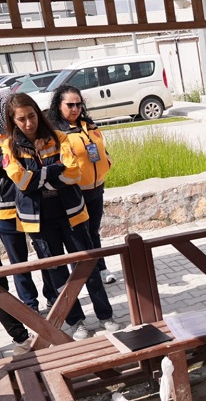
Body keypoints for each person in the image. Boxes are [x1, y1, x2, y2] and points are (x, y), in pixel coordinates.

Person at [1, 93, 119, 340]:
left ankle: (105, 315)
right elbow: (21, 181)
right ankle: (76, 321)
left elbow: (74, 173)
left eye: (32, 116)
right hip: (39, 221)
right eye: (21, 119)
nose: (29, 123)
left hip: (71, 214)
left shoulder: (59, 137)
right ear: (13, 121)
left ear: (38, 113)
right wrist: (54, 170)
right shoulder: (9, 146)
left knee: (86, 266)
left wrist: (38, 179)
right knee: (57, 274)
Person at [48, 85, 116, 284]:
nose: (75, 109)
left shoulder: (89, 125)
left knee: (93, 231)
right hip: (73, 192)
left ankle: (100, 268)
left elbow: (100, 148)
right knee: (78, 236)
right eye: (70, 105)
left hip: (96, 188)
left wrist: (107, 161)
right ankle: (82, 275)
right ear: (58, 105)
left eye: (78, 104)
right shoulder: (54, 131)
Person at [0, 90, 58, 315]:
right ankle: (30, 307)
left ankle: (53, 298)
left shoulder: (23, 138)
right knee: (19, 263)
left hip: (34, 204)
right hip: (5, 210)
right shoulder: (8, 144)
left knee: (45, 255)